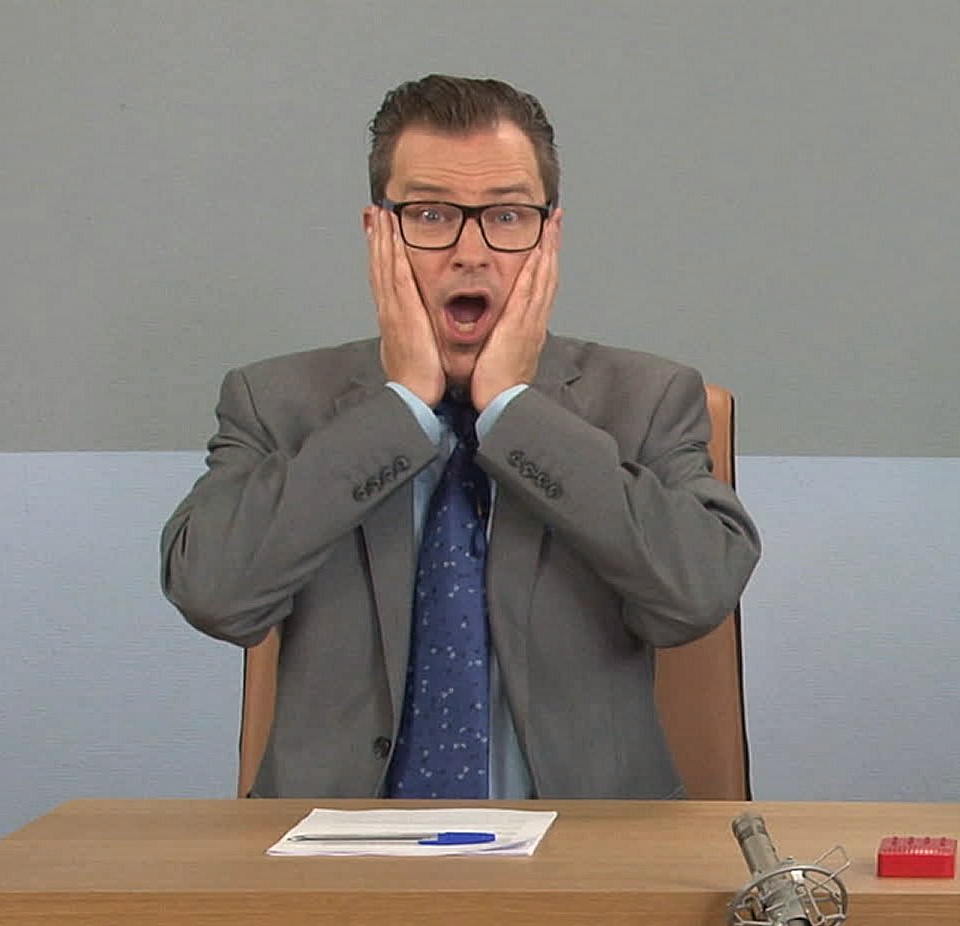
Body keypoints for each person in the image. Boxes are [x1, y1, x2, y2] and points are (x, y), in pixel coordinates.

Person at [161, 74, 759, 800]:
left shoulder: (647, 398)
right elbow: (215, 595)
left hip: (582, 850)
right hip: (335, 851)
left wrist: (512, 410)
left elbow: (695, 595)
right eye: (431, 214)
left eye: (507, 216)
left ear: (550, 235)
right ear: (379, 233)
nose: (470, 253)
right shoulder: (275, 401)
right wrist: (400, 409)